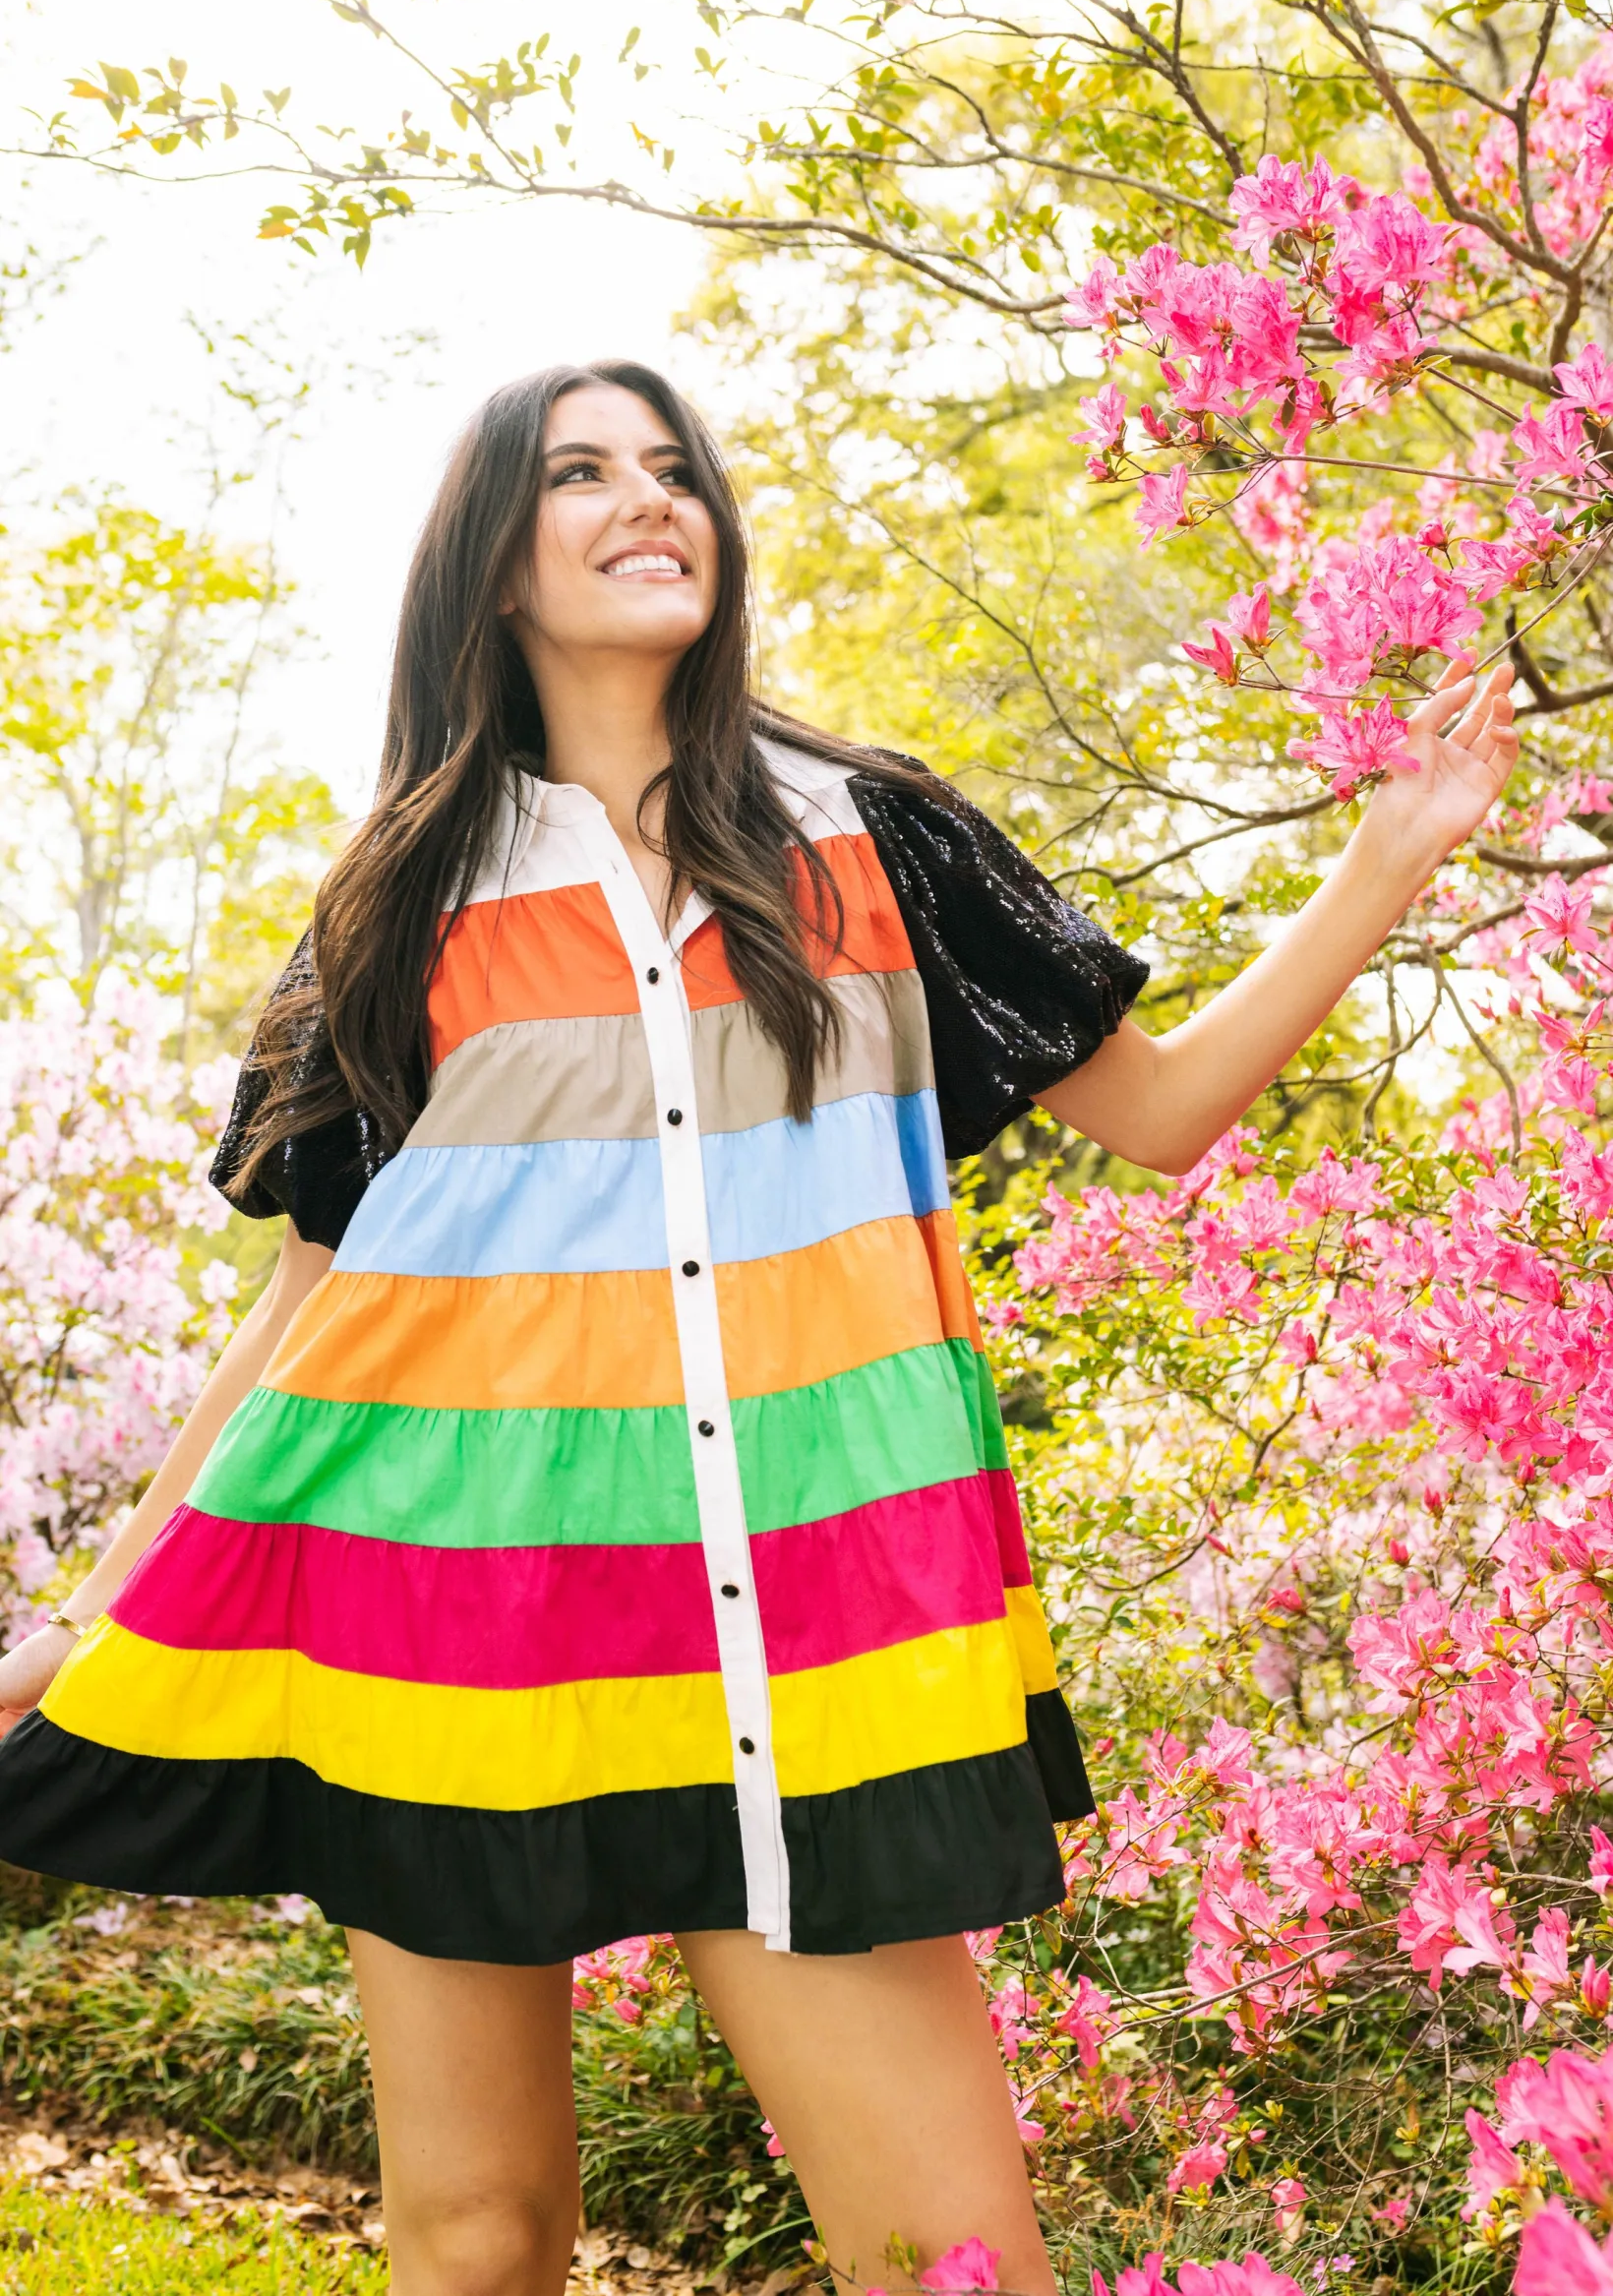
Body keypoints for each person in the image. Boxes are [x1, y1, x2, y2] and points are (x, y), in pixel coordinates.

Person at [0, 361, 1518, 2296]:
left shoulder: (867, 837)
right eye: (583, 472)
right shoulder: (405, 898)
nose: (651, 499)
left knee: (948, 2255)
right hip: (454, 1633)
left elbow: (1155, 1110)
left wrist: (1389, 853)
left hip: (817, 1639)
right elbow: (314, 1306)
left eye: (674, 469)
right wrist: (91, 1611)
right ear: (490, 559)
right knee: (477, 2231)